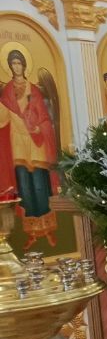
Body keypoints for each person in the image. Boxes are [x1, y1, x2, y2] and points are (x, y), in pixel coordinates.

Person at [0, 48, 59, 248]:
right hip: (17, 144)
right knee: (25, 187)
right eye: (13, 63)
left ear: (24, 65)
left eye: (19, 63)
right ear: (10, 66)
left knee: (40, 186)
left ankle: (48, 229)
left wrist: (39, 127)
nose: (16, 67)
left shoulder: (33, 90)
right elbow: (3, 118)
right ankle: (32, 232)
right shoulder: (7, 91)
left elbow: (45, 118)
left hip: (36, 144)